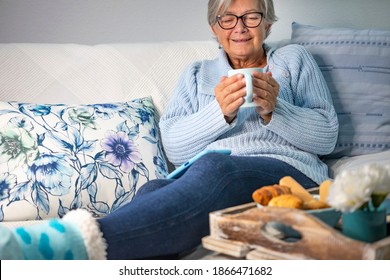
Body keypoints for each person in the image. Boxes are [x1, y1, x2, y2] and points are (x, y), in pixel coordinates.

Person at [0, 0, 338, 260]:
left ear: (266, 23)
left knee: (216, 167)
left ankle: (69, 243)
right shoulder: (196, 74)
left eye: (252, 16)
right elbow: (175, 148)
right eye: (228, 18)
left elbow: (326, 137)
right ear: (215, 27)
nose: (240, 27)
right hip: (215, 176)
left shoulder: (293, 59)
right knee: (154, 191)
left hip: (288, 174)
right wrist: (217, 113)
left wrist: (274, 109)